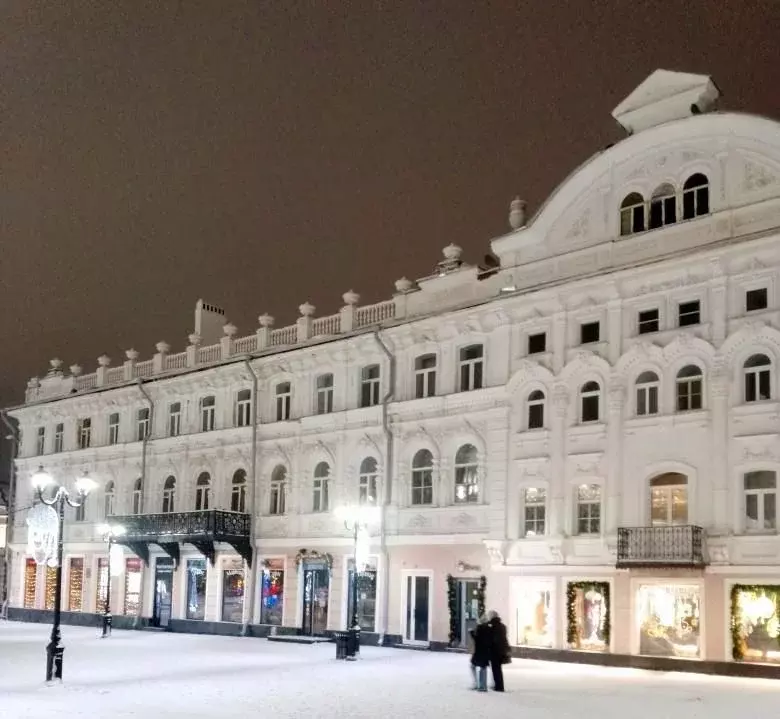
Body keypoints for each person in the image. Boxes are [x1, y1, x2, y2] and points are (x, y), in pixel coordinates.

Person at [487, 610, 510, 692]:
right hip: (502, 650)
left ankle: (498, 686)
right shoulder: (502, 626)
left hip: (494, 650)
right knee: (498, 669)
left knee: (495, 669)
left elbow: (490, 639)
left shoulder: (491, 626)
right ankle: (499, 685)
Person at [469, 614, 492, 692]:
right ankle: (482, 685)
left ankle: (478, 684)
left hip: (479, 651)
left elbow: (477, 639)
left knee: (473, 666)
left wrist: (471, 633)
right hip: (486, 651)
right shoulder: (489, 628)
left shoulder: (480, 628)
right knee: (483, 667)